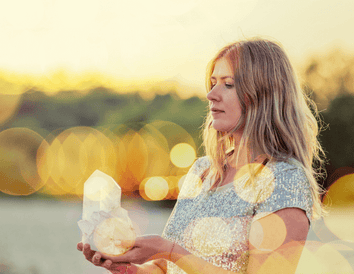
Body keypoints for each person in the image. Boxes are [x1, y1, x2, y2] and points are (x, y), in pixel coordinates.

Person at [77, 38, 326, 274]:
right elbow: (167, 269)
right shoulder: (202, 171)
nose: (211, 95)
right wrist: (127, 267)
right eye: (213, 82)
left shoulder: (284, 179)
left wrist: (169, 250)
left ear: (264, 95)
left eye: (228, 84)